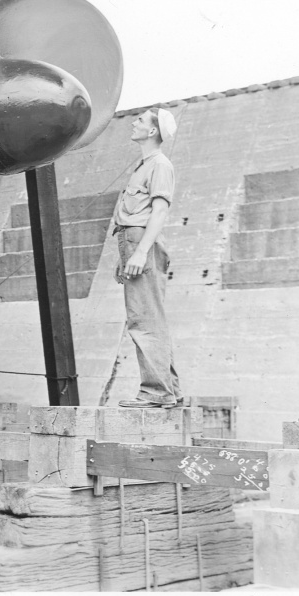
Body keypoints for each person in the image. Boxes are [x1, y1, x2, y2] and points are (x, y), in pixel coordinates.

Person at [112, 108, 183, 408]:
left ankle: (156, 392)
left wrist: (140, 252)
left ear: (153, 131)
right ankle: (171, 392)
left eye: (140, 120)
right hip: (133, 240)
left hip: (142, 242)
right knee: (148, 316)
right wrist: (127, 253)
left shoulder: (160, 165)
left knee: (144, 319)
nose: (133, 122)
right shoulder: (144, 165)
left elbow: (159, 212)